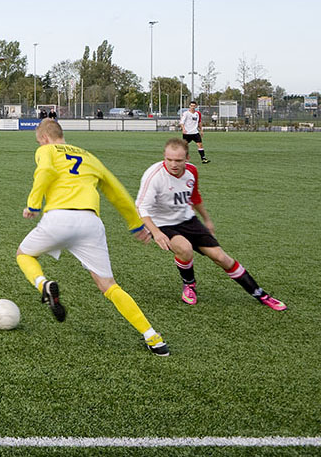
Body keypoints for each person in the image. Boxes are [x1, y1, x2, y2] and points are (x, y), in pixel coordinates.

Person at [16, 119, 169, 356]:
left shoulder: (47, 150)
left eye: (39, 141)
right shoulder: (89, 157)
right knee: (109, 285)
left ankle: (43, 284)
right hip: (90, 223)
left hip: (59, 218)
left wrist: (33, 205)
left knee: (23, 254)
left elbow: (45, 171)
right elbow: (116, 190)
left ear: (44, 138)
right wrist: (135, 224)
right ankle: (153, 338)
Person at [136, 139, 285, 310]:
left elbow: (195, 196)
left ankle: (261, 294)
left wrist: (207, 220)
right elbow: (141, 207)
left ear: (187, 158)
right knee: (185, 249)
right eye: (169, 159)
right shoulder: (154, 175)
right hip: (162, 224)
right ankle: (189, 284)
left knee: (222, 258)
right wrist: (155, 232)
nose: (173, 164)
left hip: (187, 219)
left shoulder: (192, 171)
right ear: (164, 156)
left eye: (178, 160)